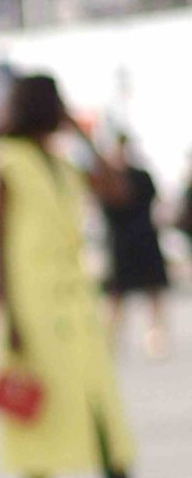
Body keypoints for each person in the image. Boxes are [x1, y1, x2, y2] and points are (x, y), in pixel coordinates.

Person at [0, 75, 144, 478]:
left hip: (75, 310)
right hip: (31, 310)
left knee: (104, 419)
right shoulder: (4, 161)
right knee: (34, 418)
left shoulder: (60, 161)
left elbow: (117, 192)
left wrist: (84, 137)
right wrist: (7, 317)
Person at [100, 132, 169, 358]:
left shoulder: (141, 176)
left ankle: (156, 338)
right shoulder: (108, 179)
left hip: (143, 240)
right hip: (121, 244)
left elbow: (155, 205)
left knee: (153, 292)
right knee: (116, 297)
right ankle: (110, 341)